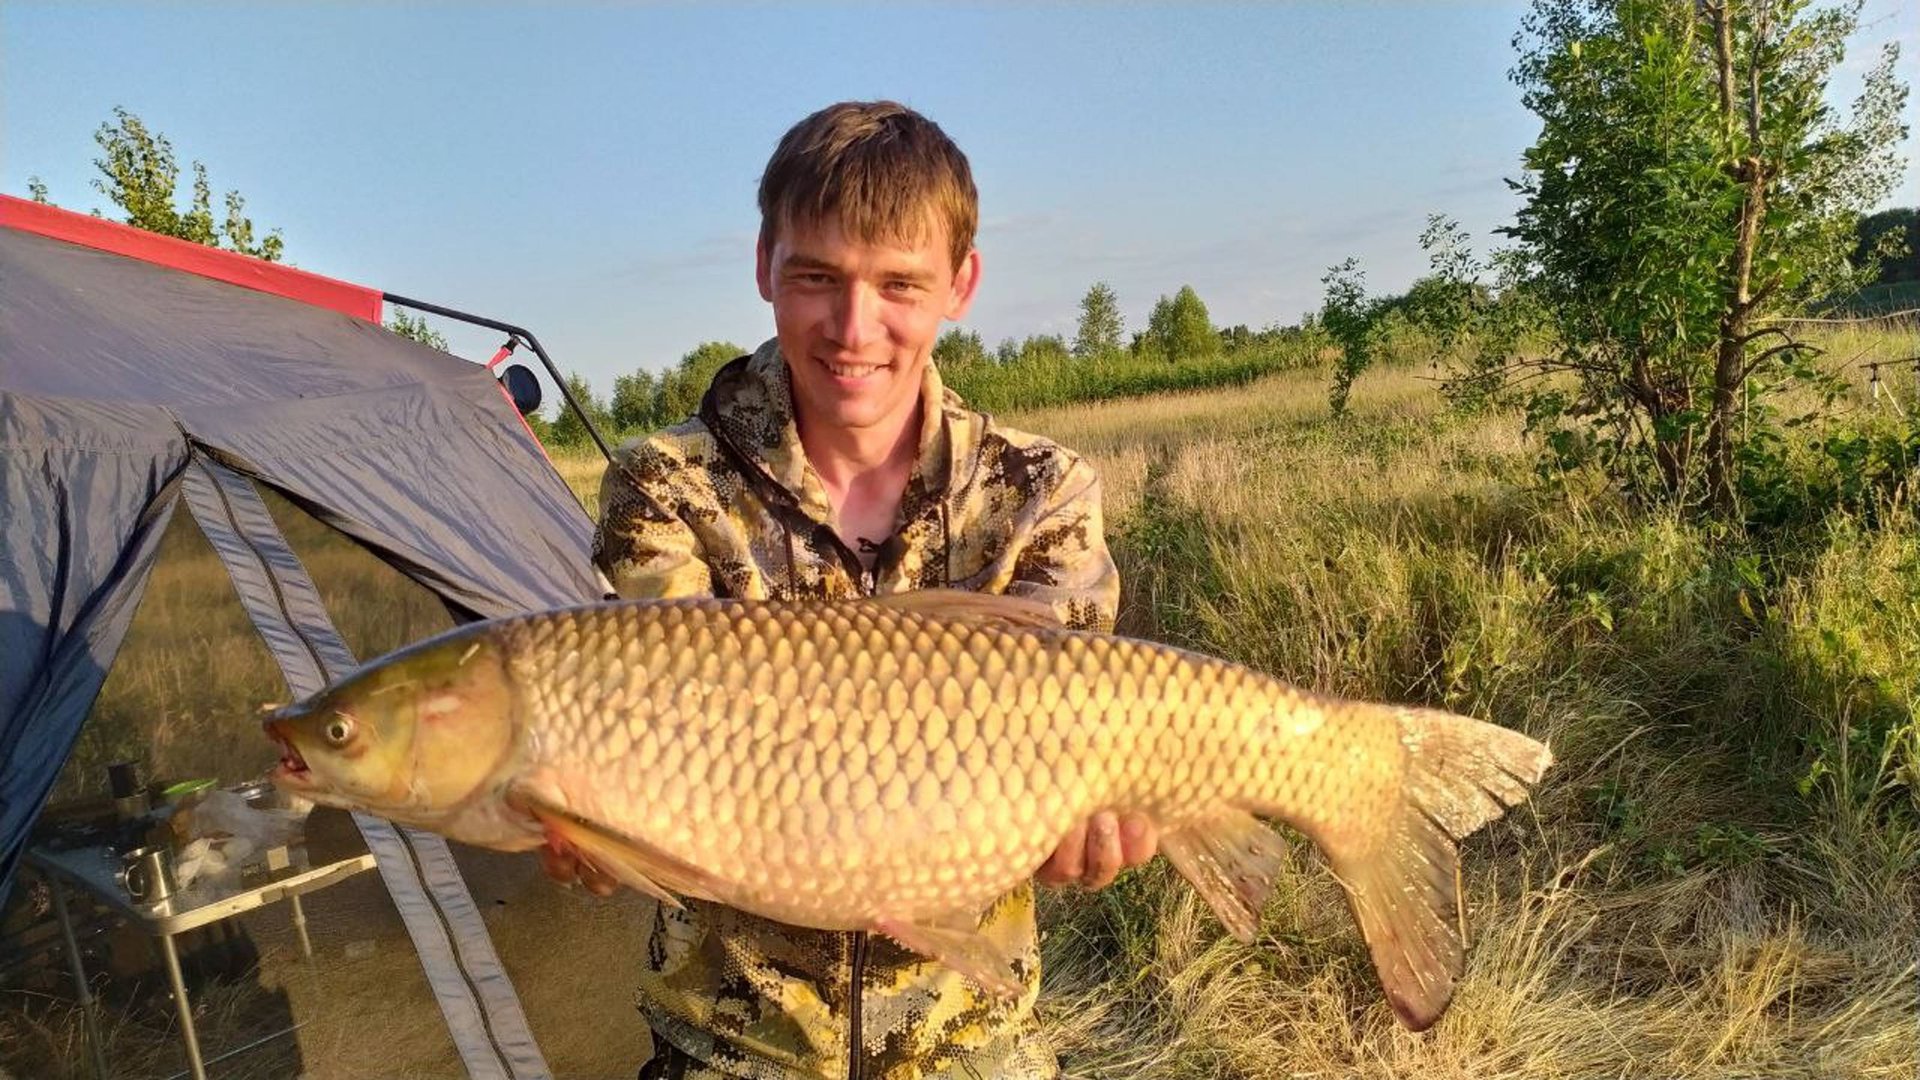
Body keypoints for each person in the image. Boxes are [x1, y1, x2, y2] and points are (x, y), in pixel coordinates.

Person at [564, 100, 1157, 1080]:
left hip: (970, 1047)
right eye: (817, 279)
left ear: (961, 284)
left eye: (900, 285)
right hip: (729, 1048)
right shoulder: (668, 487)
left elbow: (1079, 789)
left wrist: (1094, 834)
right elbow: (642, 749)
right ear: (764, 267)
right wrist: (586, 829)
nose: (855, 328)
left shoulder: (1041, 493)